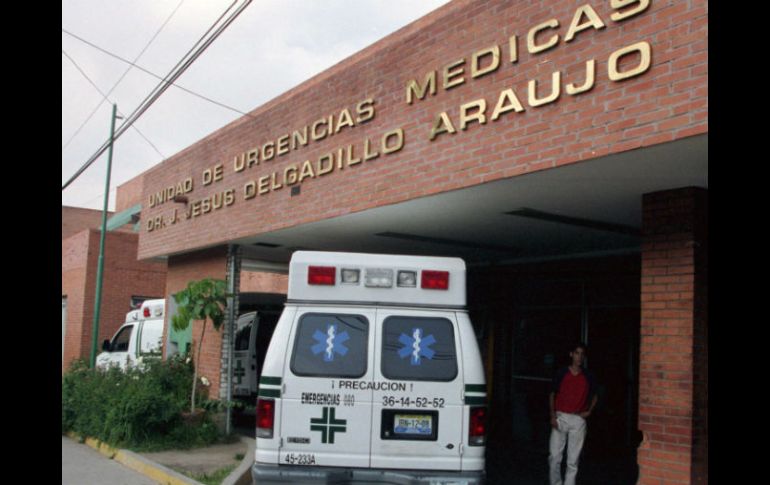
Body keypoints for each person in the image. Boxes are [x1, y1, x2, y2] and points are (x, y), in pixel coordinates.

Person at [548, 343, 598, 485]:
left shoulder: (588, 376)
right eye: (577, 353)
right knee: (554, 457)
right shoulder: (562, 373)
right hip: (560, 417)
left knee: (573, 460)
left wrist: (589, 411)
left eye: (582, 354)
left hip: (577, 419)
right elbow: (552, 394)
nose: (579, 357)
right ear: (571, 354)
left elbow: (596, 394)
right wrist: (552, 416)